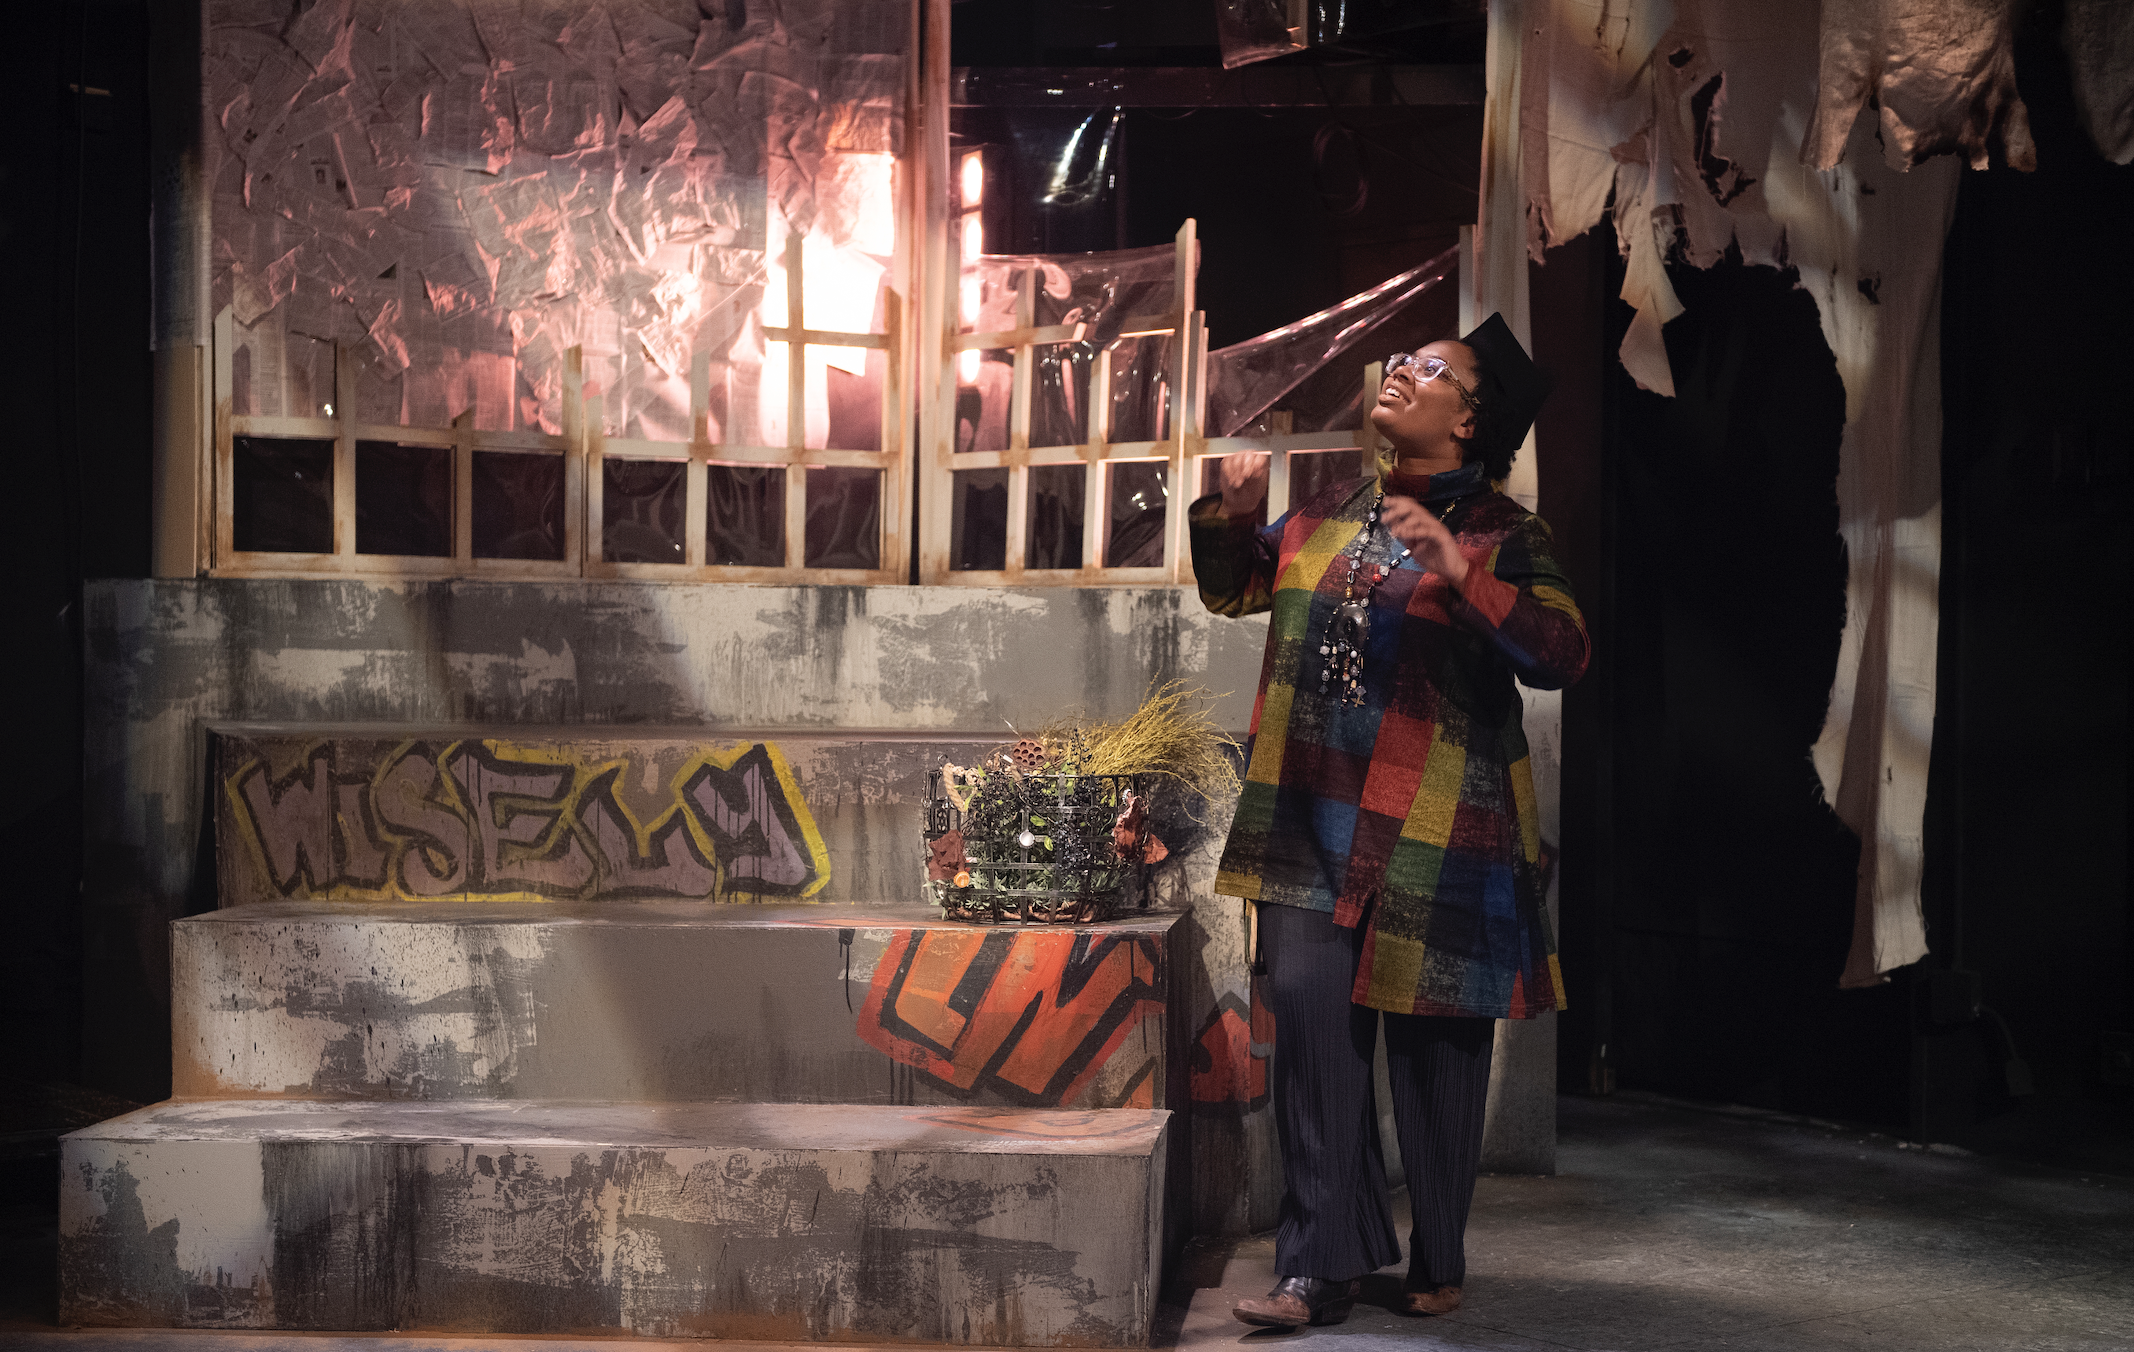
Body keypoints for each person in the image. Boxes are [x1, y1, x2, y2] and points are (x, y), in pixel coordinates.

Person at [1189, 314, 1589, 1328]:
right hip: (1309, 817)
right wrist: (1229, 517)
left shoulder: (1504, 530)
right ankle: (1316, 1265)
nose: (1404, 373)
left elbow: (1561, 652)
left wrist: (1460, 570)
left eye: (1433, 371)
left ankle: (1436, 1255)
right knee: (1316, 1045)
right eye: (1403, 360)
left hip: (1436, 826)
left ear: (1468, 421)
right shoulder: (1327, 511)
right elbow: (1235, 588)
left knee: (1432, 1060)